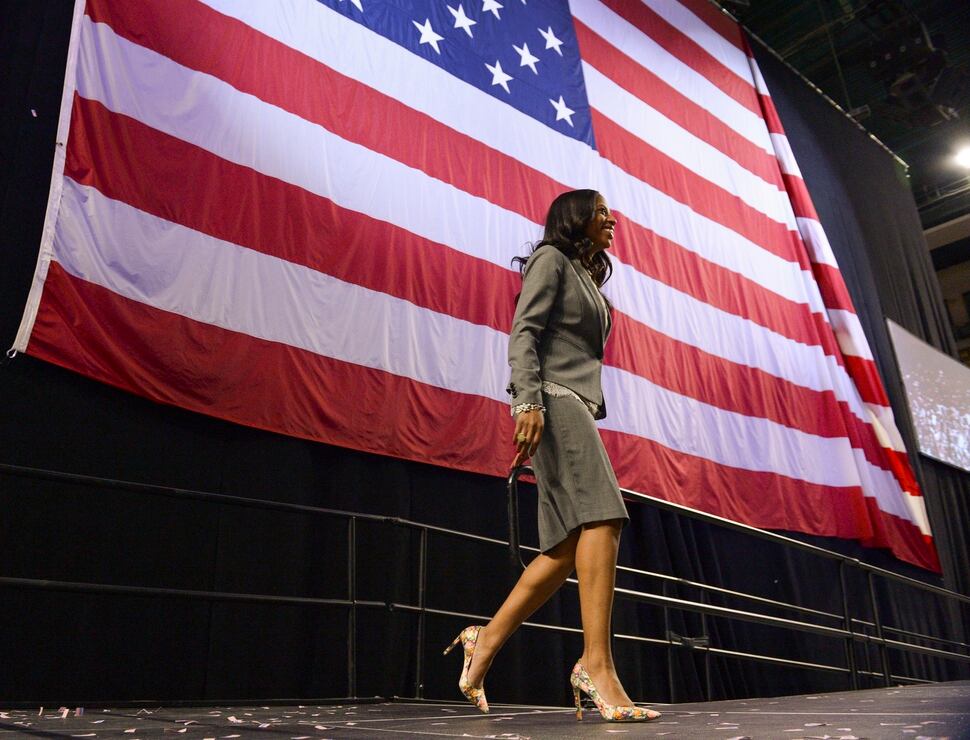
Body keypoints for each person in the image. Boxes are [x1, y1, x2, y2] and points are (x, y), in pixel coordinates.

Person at [443, 190, 660, 722]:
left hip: (575, 404)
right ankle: (596, 665)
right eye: (602, 212)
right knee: (604, 518)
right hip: (553, 399)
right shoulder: (551, 259)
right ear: (576, 219)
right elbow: (525, 332)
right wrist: (526, 401)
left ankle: (484, 642)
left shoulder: (585, 276)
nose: (612, 221)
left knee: (565, 549)